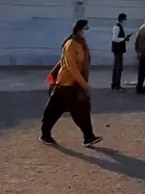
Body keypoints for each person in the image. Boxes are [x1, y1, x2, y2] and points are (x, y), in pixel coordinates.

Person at [41, 19, 103, 147]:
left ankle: (89, 137)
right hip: (65, 85)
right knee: (52, 112)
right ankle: (45, 134)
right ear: (79, 29)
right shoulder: (70, 44)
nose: (87, 32)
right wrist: (84, 85)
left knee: (82, 111)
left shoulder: (81, 44)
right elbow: (71, 67)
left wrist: (82, 83)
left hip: (75, 85)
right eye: (85, 29)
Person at [110, 13, 131, 92]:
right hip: (118, 50)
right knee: (118, 68)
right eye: (125, 19)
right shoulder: (117, 27)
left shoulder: (118, 27)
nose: (125, 21)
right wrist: (124, 39)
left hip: (118, 50)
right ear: (122, 19)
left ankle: (115, 85)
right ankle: (117, 86)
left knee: (117, 68)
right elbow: (115, 39)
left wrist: (124, 38)